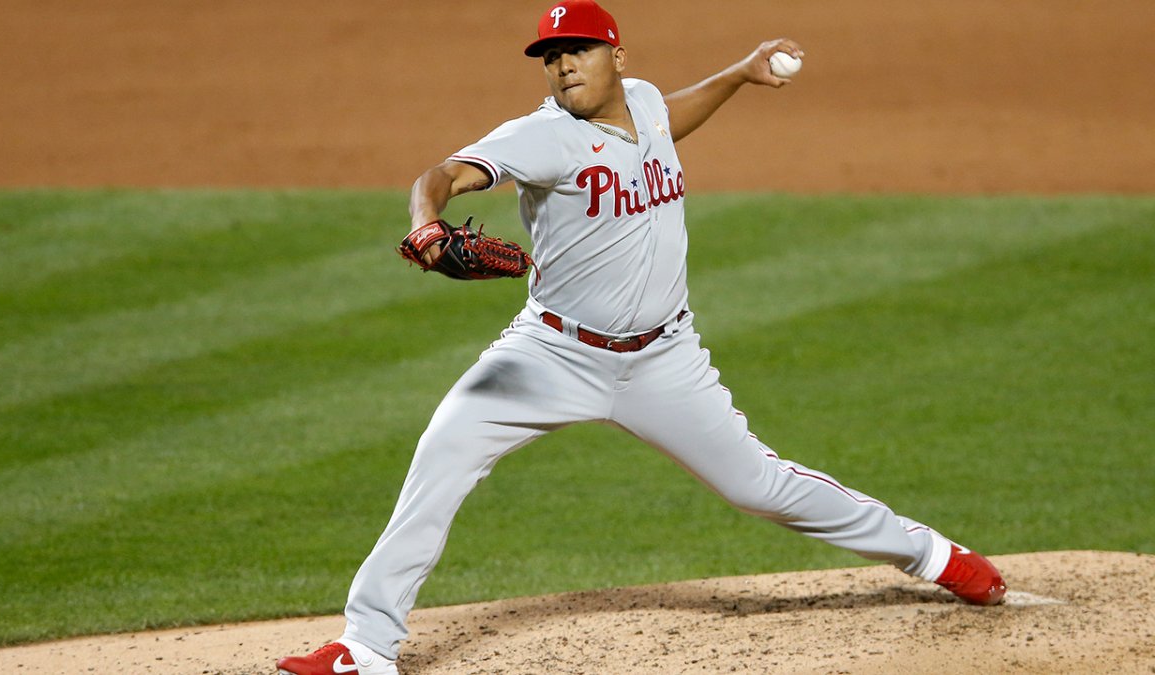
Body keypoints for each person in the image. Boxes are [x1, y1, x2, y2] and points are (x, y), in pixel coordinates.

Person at [277, 1, 1006, 673]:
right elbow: (442, 173)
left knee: (760, 485)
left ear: (616, 57)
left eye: (579, 49)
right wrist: (425, 224)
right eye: (551, 55)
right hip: (552, 352)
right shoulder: (540, 135)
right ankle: (365, 644)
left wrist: (742, 74)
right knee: (443, 453)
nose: (563, 64)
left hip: (664, 360)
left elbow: (671, 115)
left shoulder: (648, 103)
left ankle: (935, 554)